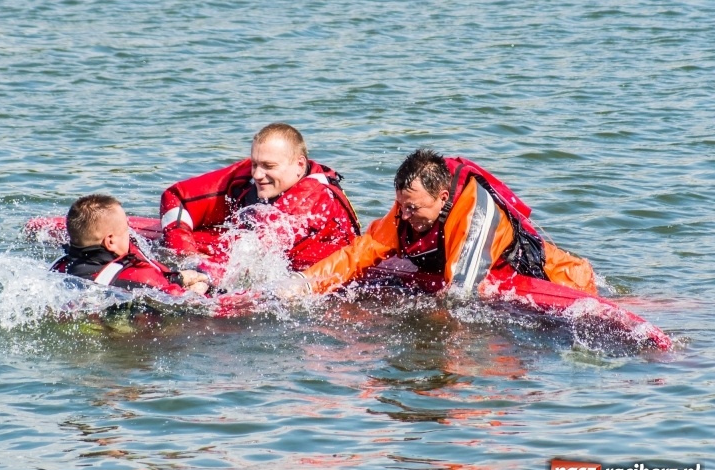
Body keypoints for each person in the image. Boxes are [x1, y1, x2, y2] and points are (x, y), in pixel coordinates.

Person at [291, 148, 598, 296]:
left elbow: (461, 296)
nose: (405, 216)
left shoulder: (477, 214)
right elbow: (360, 252)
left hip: (563, 281)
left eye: (412, 208)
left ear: (441, 197)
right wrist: (304, 285)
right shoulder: (407, 207)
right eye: (401, 206)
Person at [159, 123, 361, 272]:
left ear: (300, 164)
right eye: (255, 163)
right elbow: (176, 196)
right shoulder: (247, 175)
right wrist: (186, 254)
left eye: (268, 166)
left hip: (319, 281)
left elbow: (249, 258)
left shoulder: (312, 198)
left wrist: (197, 273)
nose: (256, 174)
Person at [51, 194, 210, 295]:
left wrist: (181, 277)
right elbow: (183, 301)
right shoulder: (139, 277)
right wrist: (202, 285)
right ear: (110, 241)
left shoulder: (59, 267)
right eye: (126, 230)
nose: (130, 235)